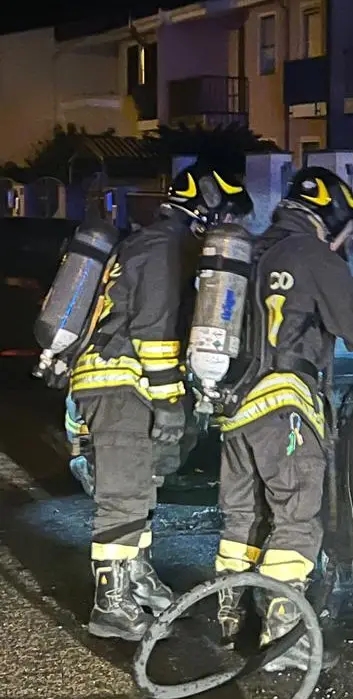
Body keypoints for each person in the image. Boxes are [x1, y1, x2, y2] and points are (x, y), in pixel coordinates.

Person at [214, 166, 353, 671]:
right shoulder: (313, 255)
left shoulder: (252, 252)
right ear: (333, 218)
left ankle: (230, 616)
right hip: (284, 405)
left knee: (241, 517)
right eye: (347, 231)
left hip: (234, 409)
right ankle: (285, 636)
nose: (347, 241)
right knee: (295, 519)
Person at [71, 162, 253, 641]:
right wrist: (170, 401)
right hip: (121, 383)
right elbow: (152, 331)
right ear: (206, 208)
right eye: (225, 215)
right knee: (123, 495)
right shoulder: (164, 248)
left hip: (120, 382)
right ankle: (109, 604)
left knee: (140, 485)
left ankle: (135, 577)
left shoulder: (156, 241)